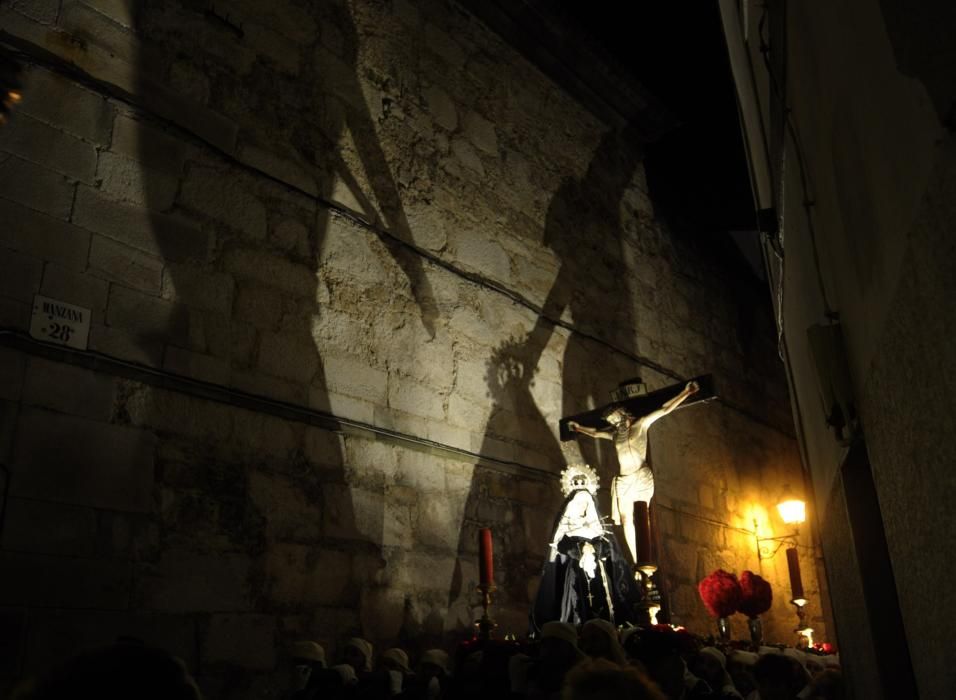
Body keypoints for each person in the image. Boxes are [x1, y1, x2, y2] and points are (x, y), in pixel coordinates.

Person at [569, 380, 699, 564]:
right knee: (625, 519)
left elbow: (665, 409)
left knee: (641, 514)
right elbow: (596, 433)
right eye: (611, 422)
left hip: (640, 476)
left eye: (615, 419)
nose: (614, 424)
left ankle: (647, 556)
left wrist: (686, 393)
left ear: (623, 414)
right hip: (624, 481)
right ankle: (638, 559)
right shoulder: (615, 435)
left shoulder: (642, 424)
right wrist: (578, 428)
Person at [531, 465, 641, 632]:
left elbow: (608, 549)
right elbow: (562, 547)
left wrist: (594, 548)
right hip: (575, 575)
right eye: (579, 504)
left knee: (602, 605)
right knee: (577, 603)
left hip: (599, 576)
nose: (583, 507)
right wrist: (581, 548)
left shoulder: (597, 528)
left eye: (586, 503)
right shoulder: (566, 528)